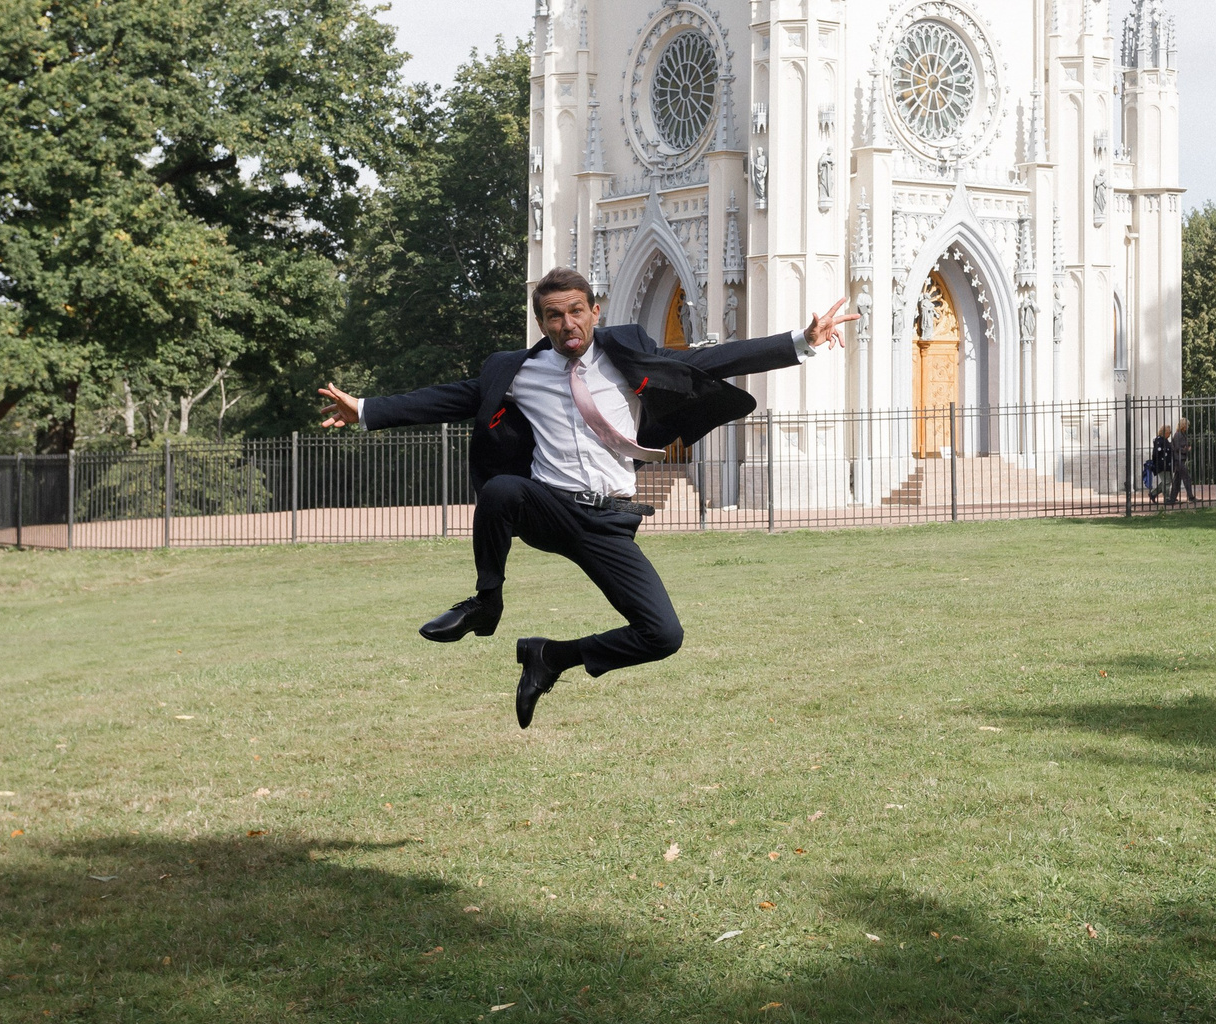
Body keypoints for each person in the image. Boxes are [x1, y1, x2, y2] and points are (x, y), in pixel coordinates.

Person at [316, 268, 858, 727]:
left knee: (662, 635)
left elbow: (708, 361)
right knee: (502, 490)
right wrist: (364, 410)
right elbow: (445, 399)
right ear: (541, 321)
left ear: (594, 311)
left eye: (576, 311)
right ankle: (486, 602)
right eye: (554, 315)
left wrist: (800, 341)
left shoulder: (626, 353)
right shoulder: (517, 372)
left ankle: (549, 656)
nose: (566, 323)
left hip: (610, 522)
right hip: (552, 507)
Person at [1164, 417, 1194, 506]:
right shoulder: (1178, 435)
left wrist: (1186, 448)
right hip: (1179, 459)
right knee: (1187, 478)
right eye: (1187, 425)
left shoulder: (1182, 434)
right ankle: (1191, 497)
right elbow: (1177, 448)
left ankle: (1172, 499)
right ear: (1183, 425)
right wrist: (1186, 449)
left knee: (1177, 480)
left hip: (1180, 459)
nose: (1188, 427)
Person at [1147, 424, 1172, 504]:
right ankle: (1167, 498)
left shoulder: (1165, 440)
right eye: (1169, 432)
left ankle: (1153, 494)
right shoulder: (1159, 441)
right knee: (1166, 481)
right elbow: (1156, 453)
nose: (1170, 434)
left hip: (1167, 464)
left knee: (1167, 481)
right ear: (1165, 432)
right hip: (1162, 465)